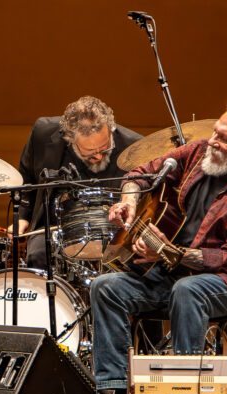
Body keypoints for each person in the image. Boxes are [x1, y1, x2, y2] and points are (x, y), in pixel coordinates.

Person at [90, 96, 227, 394]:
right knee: (105, 287)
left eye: (225, 139)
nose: (214, 141)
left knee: (188, 290)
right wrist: (128, 202)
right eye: (216, 131)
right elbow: (139, 174)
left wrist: (168, 253)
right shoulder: (198, 152)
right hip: (178, 274)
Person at [14, 96, 142, 269]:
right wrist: (22, 217)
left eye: (105, 149)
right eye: (89, 152)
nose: (98, 156)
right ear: (70, 139)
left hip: (112, 226)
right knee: (38, 254)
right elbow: (26, 175)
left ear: (110, 130)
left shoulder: (135, 145)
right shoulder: (43, 133)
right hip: (55, 225)